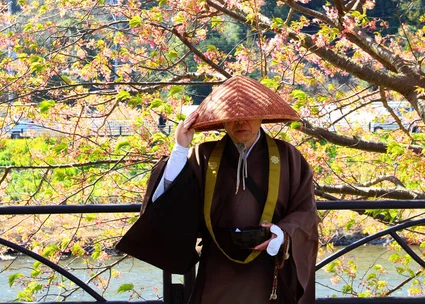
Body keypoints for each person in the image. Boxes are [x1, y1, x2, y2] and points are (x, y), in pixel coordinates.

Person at [116, 76, 319, 303]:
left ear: (262, 116)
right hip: (218, 265)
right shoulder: (204, 155)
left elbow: (306, 211)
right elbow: (168, 199)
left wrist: (281, 233)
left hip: (269, 263)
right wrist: (181, 148)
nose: (240, 123)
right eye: (232, 118)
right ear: (221, 121)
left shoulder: (287, 155)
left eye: (248, 116)